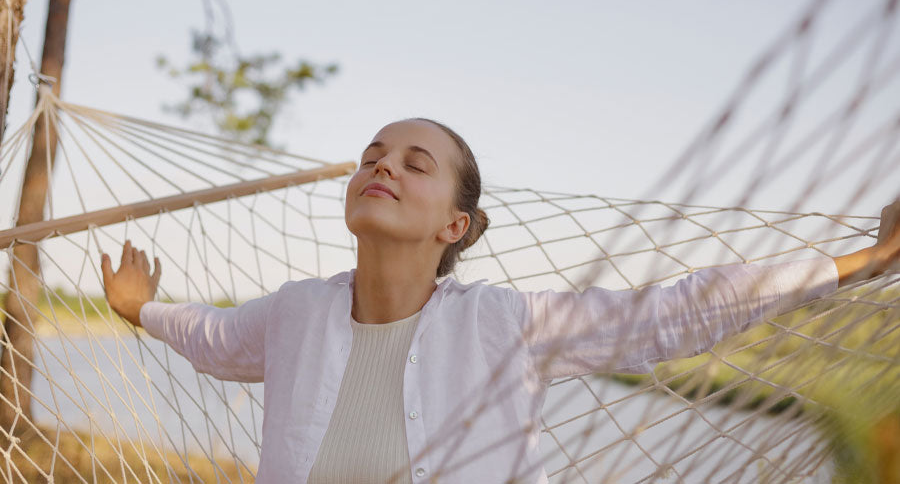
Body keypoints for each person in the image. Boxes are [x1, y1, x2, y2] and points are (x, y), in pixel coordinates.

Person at [100, 118, 900, 484]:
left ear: (456, 223)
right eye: (372, 156)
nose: (382, 166)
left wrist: (869, 259)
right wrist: (139, 309)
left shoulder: (502, 324)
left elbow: (678, 309)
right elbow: (211, 336)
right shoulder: (295, 314)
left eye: (416, 162)